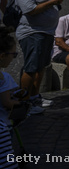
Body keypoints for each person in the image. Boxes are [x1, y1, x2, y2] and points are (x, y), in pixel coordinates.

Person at [16, 0, 67, 113]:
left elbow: (52, 2)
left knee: (41, 67)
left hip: (47, 32)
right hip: (32, 32)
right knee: (31, 68)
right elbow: (30, 10)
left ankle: (34, 97)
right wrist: (53, 1)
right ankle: (23, 103)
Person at [1, 31, 29, 168]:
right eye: (14, 55)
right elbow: (6, 103)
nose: (14, 58)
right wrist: (19, 104)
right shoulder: (3, 78)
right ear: (2, 56)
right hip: (4, 123)